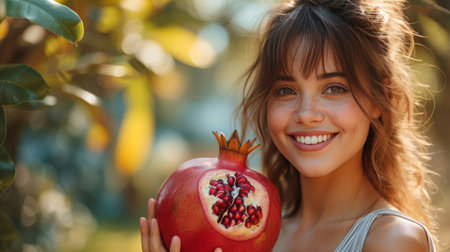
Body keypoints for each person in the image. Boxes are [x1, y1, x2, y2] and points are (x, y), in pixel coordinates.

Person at [140, 0, 439, 251]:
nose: (306, 114)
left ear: (380, 100)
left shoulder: (393, 240)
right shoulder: (255, 232)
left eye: (334, 88)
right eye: (286, 90)